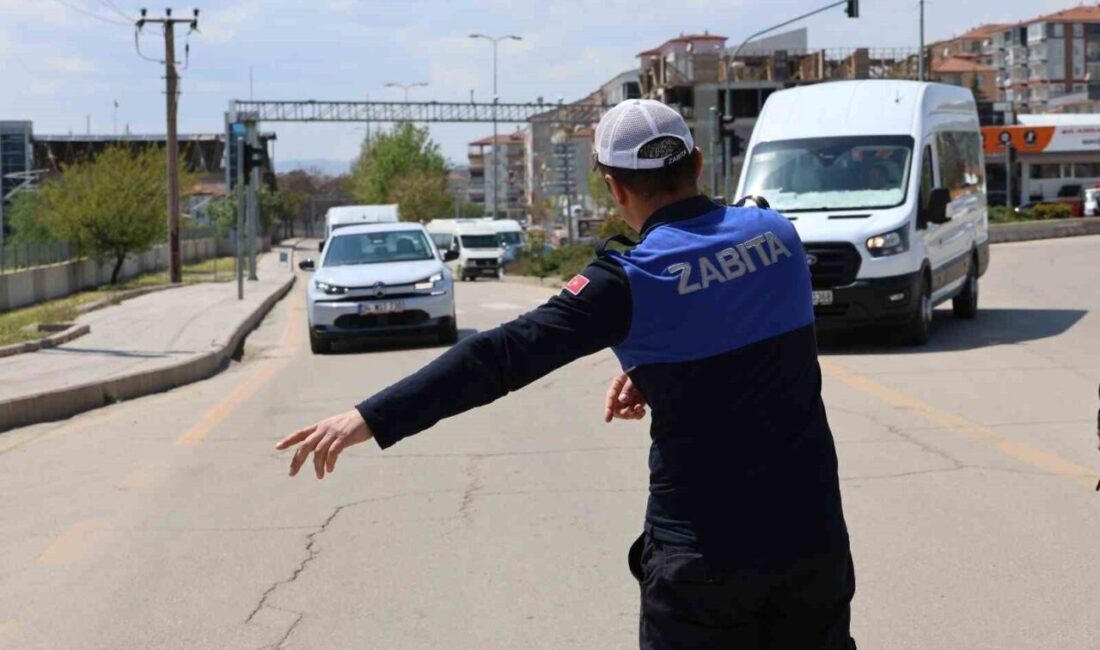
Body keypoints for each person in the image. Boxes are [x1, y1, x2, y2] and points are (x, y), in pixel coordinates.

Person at [277, 99, 856, 649]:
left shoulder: (626, 281)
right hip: (811, 539)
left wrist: (370, 417)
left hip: (705, 559)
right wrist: (655, 372)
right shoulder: (777, 236)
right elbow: (748, 337)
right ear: (698, 163)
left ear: (614, 186)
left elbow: (498, 357)